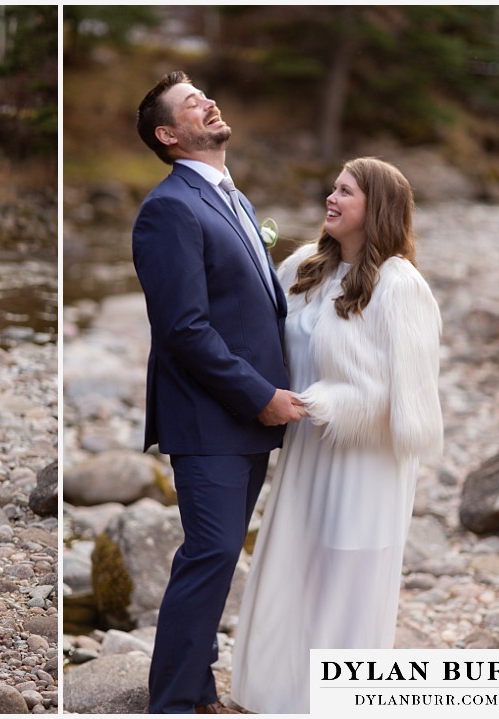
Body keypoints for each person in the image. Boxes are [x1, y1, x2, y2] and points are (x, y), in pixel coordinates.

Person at [230, 157, 443, 714]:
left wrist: (321, 401)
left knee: (345, 575)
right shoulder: (305, 267)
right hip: (305, 451)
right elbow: (256, 335)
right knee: (294, 567)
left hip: (363, 462)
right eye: (334, 188)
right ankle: (279, 696)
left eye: (346, 192)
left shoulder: (401, 286)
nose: (332, 197)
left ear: (378, 209)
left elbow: (409, 401)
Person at [132, 70, 304, 714]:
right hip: (210, 416)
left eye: (204, 94)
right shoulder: (168, 208)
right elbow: (184, 328)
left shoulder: (233, 198)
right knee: (209, 553)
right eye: (189, 103)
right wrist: (260, 394)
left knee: (219, 552)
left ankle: (196, 690)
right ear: (169, 135)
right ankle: (174, 701)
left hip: (241, 418)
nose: (206, 101)